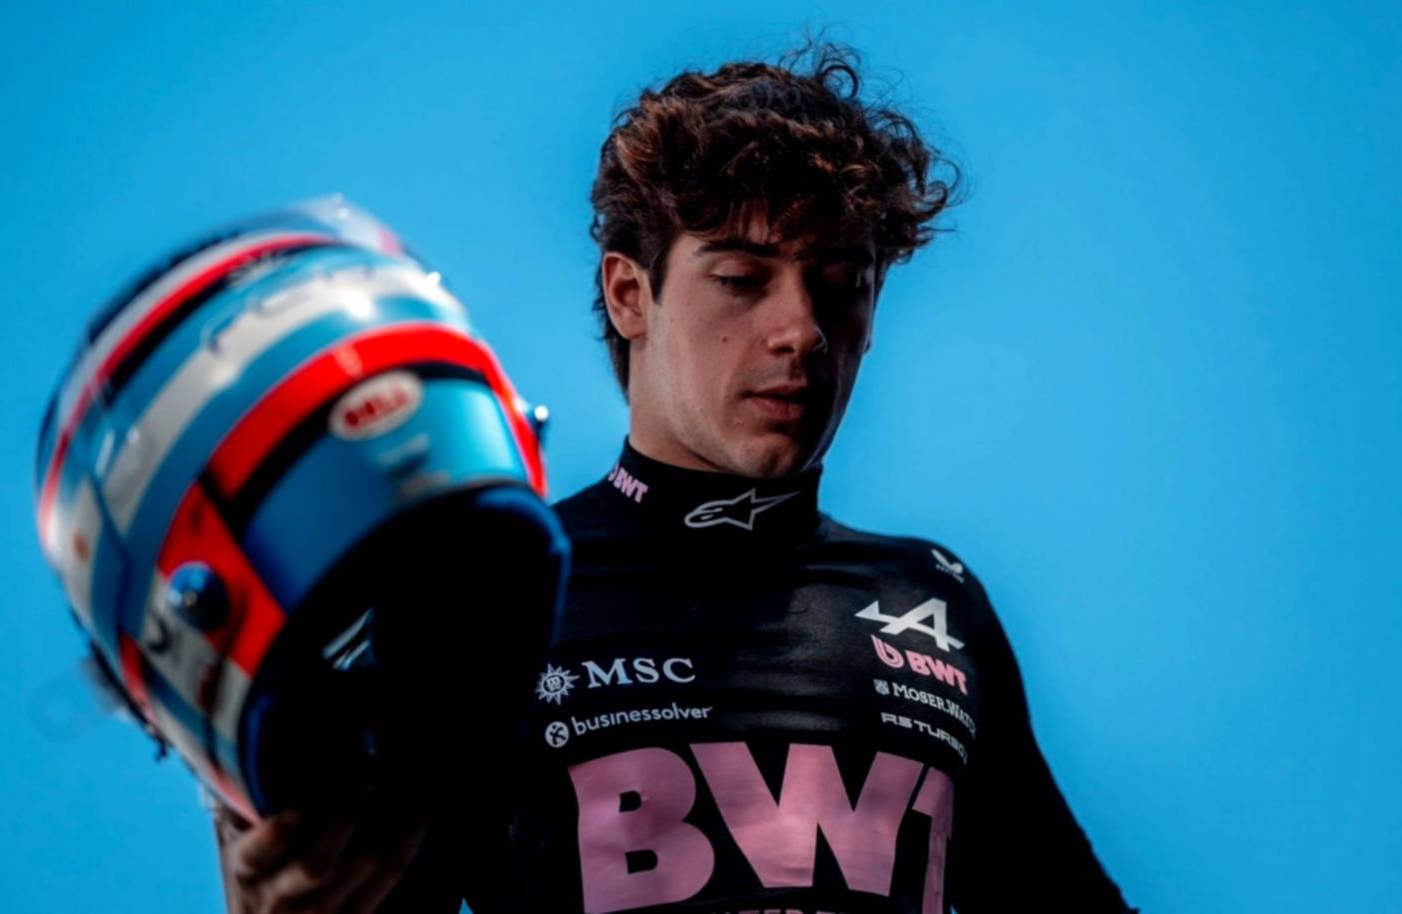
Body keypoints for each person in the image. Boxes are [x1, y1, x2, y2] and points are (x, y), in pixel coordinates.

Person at [215, 42, 1136, 913]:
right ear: (630, 295)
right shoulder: (486, 603)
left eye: (840, 282)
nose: (802, 331)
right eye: (741, 278)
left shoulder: (932, 598)